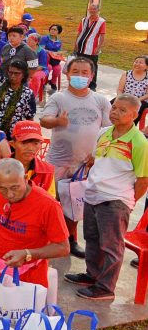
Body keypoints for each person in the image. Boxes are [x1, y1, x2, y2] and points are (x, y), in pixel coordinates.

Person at [64, 94, 148, 300]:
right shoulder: (104, 132)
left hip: (115, 201)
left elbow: (143, 180)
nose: (115, 112)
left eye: (122, 110)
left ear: (135, 115)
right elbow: (95, 159)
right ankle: (92, 276)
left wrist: (127, 203)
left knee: (111, 246)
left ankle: (105, 287)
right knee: (92, 239)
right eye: (114, 108)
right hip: (92, 195)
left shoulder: (139, 143)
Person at [40, 56, 111, 257]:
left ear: (92, 76)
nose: (80, 76)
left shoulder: (100, 101)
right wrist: (57, 122)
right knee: (51, 202)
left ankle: (71, 239)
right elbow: (44, 120)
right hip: (58, 161)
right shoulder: (59, 98)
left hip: (84, 164)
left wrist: (97, 155)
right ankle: (49, 238)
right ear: (67, 74)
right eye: (76, 72)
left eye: (84, 73)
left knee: (75, 203)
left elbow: (109, 131)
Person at [0, 158, 69, 289]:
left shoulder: (48, 205)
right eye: (3, 188)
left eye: (15, 187)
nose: (9, 194)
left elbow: (63, 248)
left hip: (27, 275)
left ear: (26, 178)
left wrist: (27, 253)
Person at [74, 3, 106, 90]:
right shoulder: (84, 20)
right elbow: (79, 32)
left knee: (93, 66)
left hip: (92, 48)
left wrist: (98, 47)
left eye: (94, 9)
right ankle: (81, 82)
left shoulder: (101, 22)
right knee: (80, 65)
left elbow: (102, 36)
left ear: (98, 10)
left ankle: (92, 85)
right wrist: (76, 43)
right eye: (90, 9)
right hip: (81, 47)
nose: (92, 11)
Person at [118, 55, 148, 127]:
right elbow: (119, 89)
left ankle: (129, 128)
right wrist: (120, 98)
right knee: (111, 106)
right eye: (136, 62)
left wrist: (137, 100)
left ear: (146, 67)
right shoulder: (126, 74)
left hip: (140, 100)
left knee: (134, 111)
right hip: (125, 98)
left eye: (140, 62)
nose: (137, 64)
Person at [40, 24, 65, 92]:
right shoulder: (45, 38)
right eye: (52, 29)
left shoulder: (59, 42)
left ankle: (53, 82)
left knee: (58, 68)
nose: (53, 31)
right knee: (49, 67)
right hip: (45, 59)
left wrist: (59, 53)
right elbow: (41, 49)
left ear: (58, 32)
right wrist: (51, 52)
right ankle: (44, 82)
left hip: (54, 60)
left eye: (55, 30)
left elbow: (59, 50)